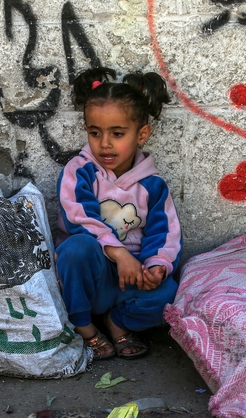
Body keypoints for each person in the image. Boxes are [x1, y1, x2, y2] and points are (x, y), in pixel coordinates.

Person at [55, 67, 182, 360]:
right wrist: (119, 253)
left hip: (130, 280)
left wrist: (156, 266)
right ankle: (85, 328)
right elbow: (79, 219)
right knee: (76, 248)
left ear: (142, 134)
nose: (105, 144)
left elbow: (165, 233)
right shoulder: (80, 171)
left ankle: (117, 322)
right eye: (95, 133)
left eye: (118, 133)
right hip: (91, 277)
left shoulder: (152, 185)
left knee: (169, 294)